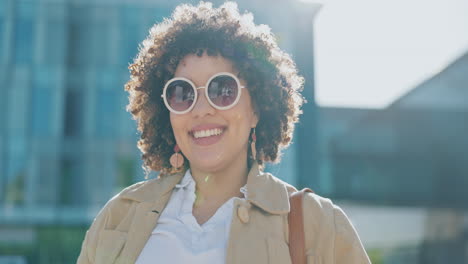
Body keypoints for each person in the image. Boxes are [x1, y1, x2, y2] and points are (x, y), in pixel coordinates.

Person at [77, 2, 371, 263]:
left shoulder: (318, 224)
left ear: (256, 108)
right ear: (167, 113)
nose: (201, 109)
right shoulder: (118, 218)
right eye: (183, 93)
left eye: (222, 89)